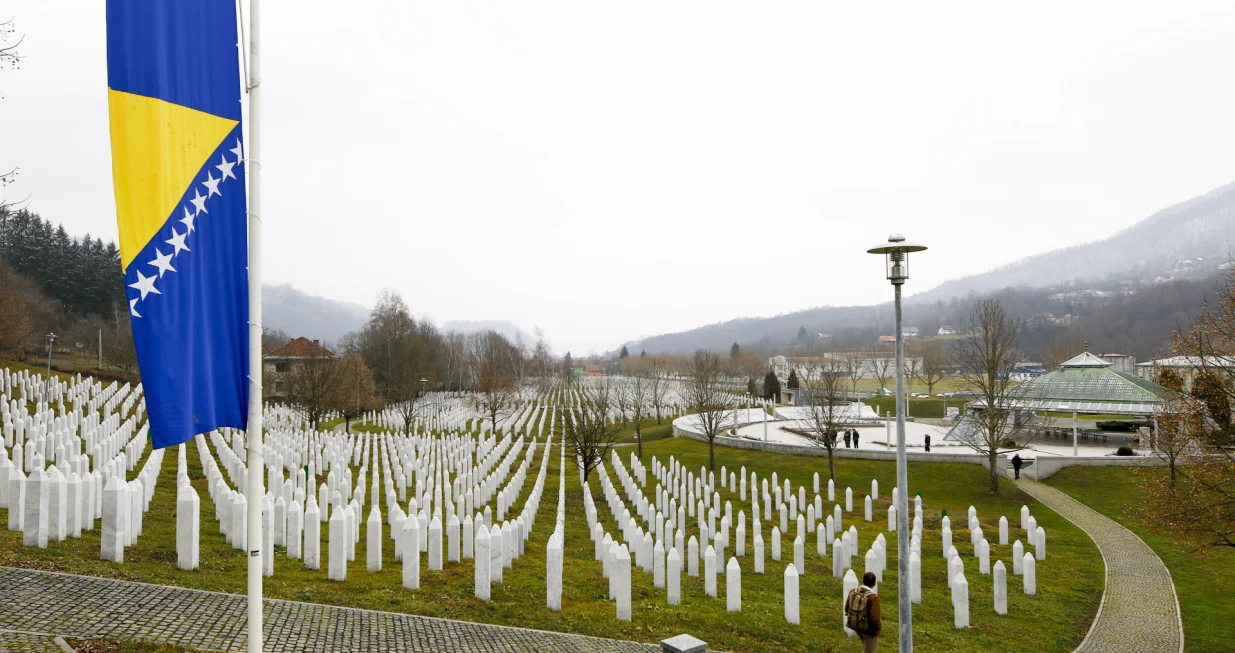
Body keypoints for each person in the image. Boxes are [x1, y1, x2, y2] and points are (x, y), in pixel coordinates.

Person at [845, 571, 882, 652]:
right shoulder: (873, 597)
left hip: (856, 625)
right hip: (869, 630)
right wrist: (877, 629)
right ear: (874, 583)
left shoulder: (853, 591)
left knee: (866, 646)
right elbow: (874, 618)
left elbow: (847, 608)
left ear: (862, 580)